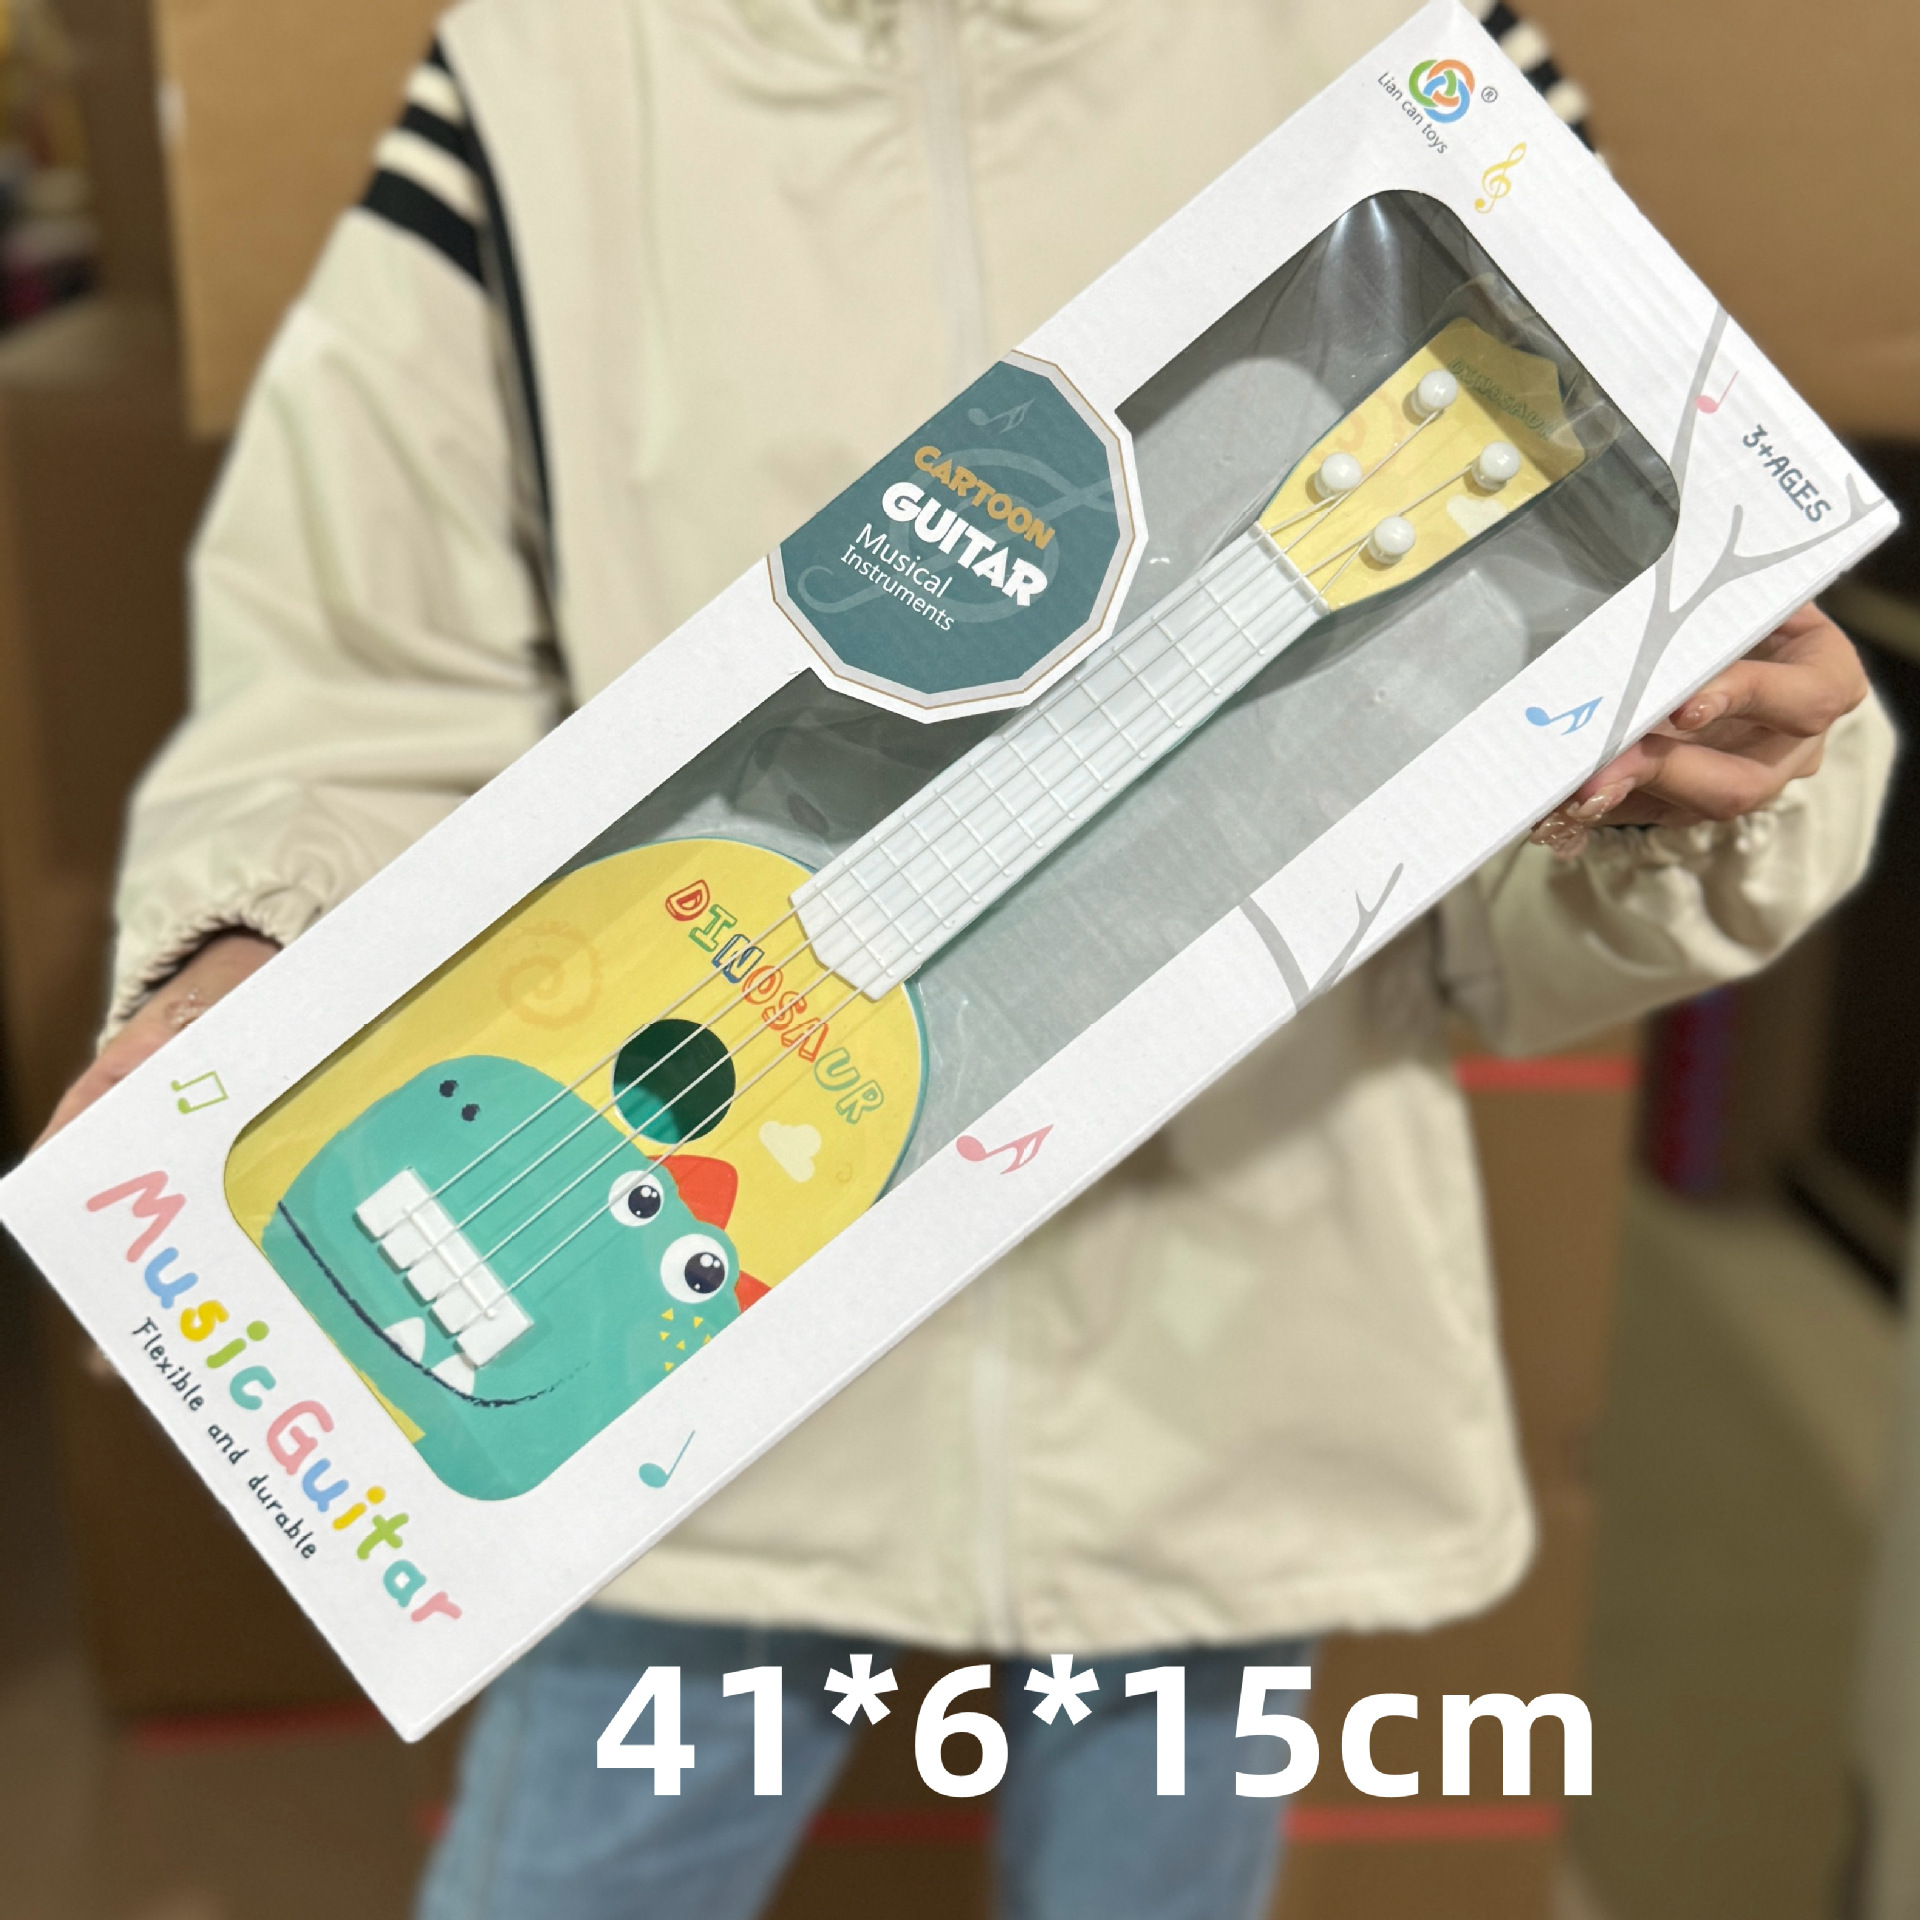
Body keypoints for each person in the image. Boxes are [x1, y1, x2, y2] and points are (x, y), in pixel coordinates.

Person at [40, 2, 1894, 1915]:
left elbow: (1513, 879)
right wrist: (251, 958)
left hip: (1224, 1359)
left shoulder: (1418, 52)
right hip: (639, 1365)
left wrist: (1690, 786)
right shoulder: (543, 65)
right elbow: (355, 663)